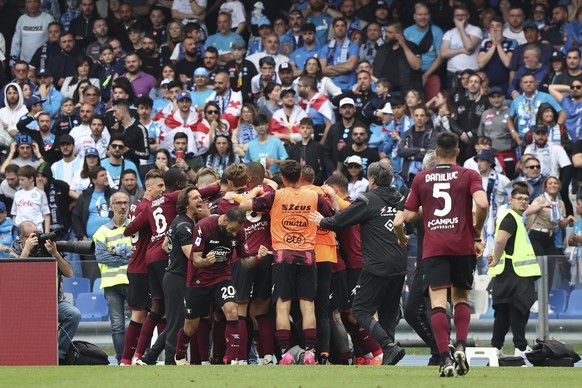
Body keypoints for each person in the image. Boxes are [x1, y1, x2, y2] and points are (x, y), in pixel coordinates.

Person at [404, 132, 488, 377]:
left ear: (436, 152)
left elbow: (408, 215)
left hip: (434, 248)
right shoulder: (469, 174)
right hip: (462, 246)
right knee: (461, 299)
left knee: (438, 303)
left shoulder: (421, 178)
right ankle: (461, 345)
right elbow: (482, 204)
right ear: (458, 153)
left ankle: (445, 358)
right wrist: (477, 233)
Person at [309, 161, 407, 365]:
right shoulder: (400, 199)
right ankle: (391, 351)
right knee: (388, 312)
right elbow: (410, 228)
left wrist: (322, 221)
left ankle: (387, 347)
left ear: (371, 180)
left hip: (376, 263)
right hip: (399, 264)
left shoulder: (368, 200)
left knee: (360, 310)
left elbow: (340, 221)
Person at [239, 160, 334, 365]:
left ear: (282, 177)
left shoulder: (275, 196)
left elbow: (243, 205)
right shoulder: (314, 196)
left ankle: (286, 354)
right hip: (307, 254)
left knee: (283, 306)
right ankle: (309, 352)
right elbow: (331, 215)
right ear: (300, 175)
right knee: (308, 306)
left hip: (283, 256)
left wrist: (255, 192)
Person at [174, 207, 268, 365]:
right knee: (190, 327)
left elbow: (245, 263)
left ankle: (232, 360)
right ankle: (180, 355)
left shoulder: (240, 233)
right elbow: (196, 259)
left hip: (222, 277)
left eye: (236, 231)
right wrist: (206, 261)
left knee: (232, 310)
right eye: (232, 229)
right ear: (224, 220)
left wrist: (258, 258)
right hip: (199, 280)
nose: (233, 234)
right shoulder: (204, 227)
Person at [9, 220, 81, 365]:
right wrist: (27, 251)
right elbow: (14, 279)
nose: (36, 238)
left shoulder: (48, 248)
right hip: (26, 304)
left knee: (74, 314)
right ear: (21, 238)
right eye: (31, 236)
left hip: (54, 302)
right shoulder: (15, 252)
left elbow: (69, 273)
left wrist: (55, 254)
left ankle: (59, 354)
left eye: (37, 234)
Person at [488, 186, 541, 359]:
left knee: (503, 311)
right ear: (510, 200)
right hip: (515, 272)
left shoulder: (517, 217)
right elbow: (501, 240)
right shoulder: (511, 217)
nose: (523, 201)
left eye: (526, 199)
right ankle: (520, 347)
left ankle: (497, 348)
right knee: (518, 309)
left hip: (509, 272)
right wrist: (495, 259)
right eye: (519, 198)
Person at [119, 169, 165, 366]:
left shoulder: (137, 206)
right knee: (143, 314)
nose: (163, 190)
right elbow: (129, 231)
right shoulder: (148, 207)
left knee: (159, 311)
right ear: (148, 187)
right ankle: (128, 358)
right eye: (160, 186)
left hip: (143, 266)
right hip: (141, 268)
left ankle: (141, 357)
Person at [93, 191, 132, 364]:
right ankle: (122, 359)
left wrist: (114, 250)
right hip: (111, 283)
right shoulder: (101, 231)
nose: (123, 206)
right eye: (118, 203)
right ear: (111, 206)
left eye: (125, 203)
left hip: (132, 280)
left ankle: (137, 357)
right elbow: (101, 257)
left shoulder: (136, 226)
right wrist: (126, 255)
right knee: (117, 325)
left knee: (139, 321)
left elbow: (138, 254)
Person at [525, 176, 575, 291]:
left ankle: (545, 300)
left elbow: (560, 224)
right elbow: (527, 212)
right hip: (536, 235)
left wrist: (568, 220)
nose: (553, 185)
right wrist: (541, 206)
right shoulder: (540, 199)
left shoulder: (560, 203)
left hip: (550, 236)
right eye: (550, 183)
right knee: (539, 267)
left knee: (550, 267)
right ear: (545, 187)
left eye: (555, 183)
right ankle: (535, 298)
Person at [11, 165, 50, 233]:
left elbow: (46, 215)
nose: (20, 182)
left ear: (31, 179)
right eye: (19, 179)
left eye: (22, 179)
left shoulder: (40, 193)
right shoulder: (17, 194)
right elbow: (14, 214)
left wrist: (47, 233)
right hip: (19, 231)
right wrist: (13, 230)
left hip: (36, 230)